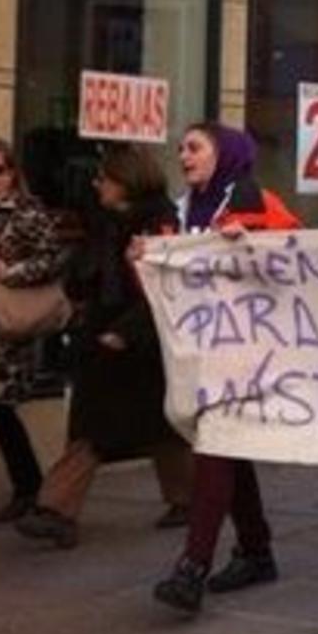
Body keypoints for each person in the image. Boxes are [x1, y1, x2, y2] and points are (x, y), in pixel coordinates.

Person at [154, 122, 301, 615]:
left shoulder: (256, 201)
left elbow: (300, 255)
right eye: (180, 148)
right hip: (202, 351)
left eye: (194, 147)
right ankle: (257, 551)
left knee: (216, 446)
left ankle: (192, 567)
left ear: (226, 154)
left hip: (246, 353)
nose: (183, 155)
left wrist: (253, 240)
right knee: (228, 449)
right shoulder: (180, 211)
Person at [16, 146, 190, 549]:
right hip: (104, 336)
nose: (97, 185)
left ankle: (56, 509)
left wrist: (127, 332)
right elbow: (87, 274)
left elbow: (160, 288)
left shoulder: (159, 221)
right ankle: (186, 498)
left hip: (136, 341)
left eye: (104, 179)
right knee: (147, 426)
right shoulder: (108, 221)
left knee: (106, 428)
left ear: (125, 181)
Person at [0, 140, 63, 525]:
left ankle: (29, 488)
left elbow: (52, 261)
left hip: (4, 333)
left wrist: (9, 273)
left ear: (13, 173)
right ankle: (28, 487)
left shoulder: (27, 214)